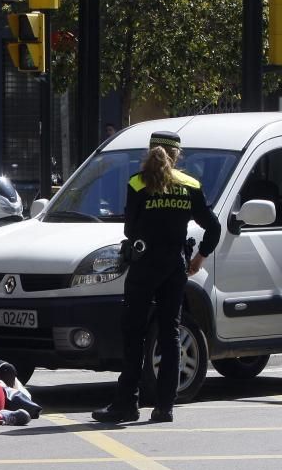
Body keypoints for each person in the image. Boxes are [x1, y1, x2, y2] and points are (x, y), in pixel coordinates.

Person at [92, 130, 221, 423]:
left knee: (134, 334)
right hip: (175, 267)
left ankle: (126, 403)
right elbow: (213, 227)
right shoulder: (190, 185)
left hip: (144, 265)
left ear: (150, 152)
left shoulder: (138, 183)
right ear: (177, 155)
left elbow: (129, 230)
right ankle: (165, 407)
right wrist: (200, 257)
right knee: (170, 333)